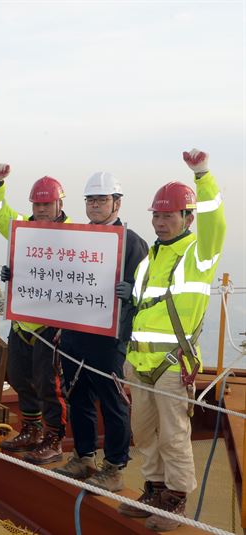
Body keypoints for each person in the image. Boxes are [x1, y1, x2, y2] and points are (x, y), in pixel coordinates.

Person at [116, 149, 225, 531]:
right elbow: (142, 307)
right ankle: (154, 490)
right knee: (144, 432)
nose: (161, 222)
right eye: (157, 215)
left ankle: (175, 500)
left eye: (168, 215)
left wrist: (202, 174)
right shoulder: (149, 258)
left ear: (187, 217)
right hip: (139, 361)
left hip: (171, 363)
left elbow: (216, 223)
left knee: (174, 435)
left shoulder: (199, 253)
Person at [53, 172, 148, 491]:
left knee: (112, 401)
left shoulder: (133, 243)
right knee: (77, 395)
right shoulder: (77, 238)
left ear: (117, 203)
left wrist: (133, 292)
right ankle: (84, 457)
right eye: (90, 200)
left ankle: (115, 466)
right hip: (76, 331)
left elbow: (150, 293)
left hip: (110, 337)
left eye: (101, 199)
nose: (95, 205)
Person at [0, 164, 71, 464]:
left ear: (59, 204)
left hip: (52, 324)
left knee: (50, 383)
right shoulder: (21, 226)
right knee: (20, 376)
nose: (42, 209)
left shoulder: (75, 234)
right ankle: (32, 428)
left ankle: (54, 438)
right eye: (37, 204)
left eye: (47, 204)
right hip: (22, 319)